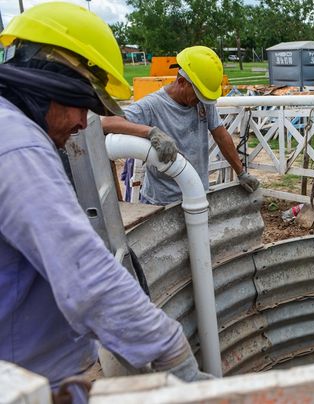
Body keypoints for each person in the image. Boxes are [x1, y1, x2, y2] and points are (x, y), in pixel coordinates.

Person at [0, 2, 211, 390]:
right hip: (21, 385)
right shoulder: (17, 148)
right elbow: (84, 274)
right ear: (49, 84)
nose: (84, 122)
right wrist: (174, 352)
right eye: (83, 105)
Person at [101, 46, 259, 205]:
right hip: (163, 201)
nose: (201, 100)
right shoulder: (152, 105)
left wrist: (241, 172)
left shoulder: (202, 101)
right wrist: (150, 132)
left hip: (197, 194)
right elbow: (107, 122)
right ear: (182, 81)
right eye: (198, 95)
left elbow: (221, 135)